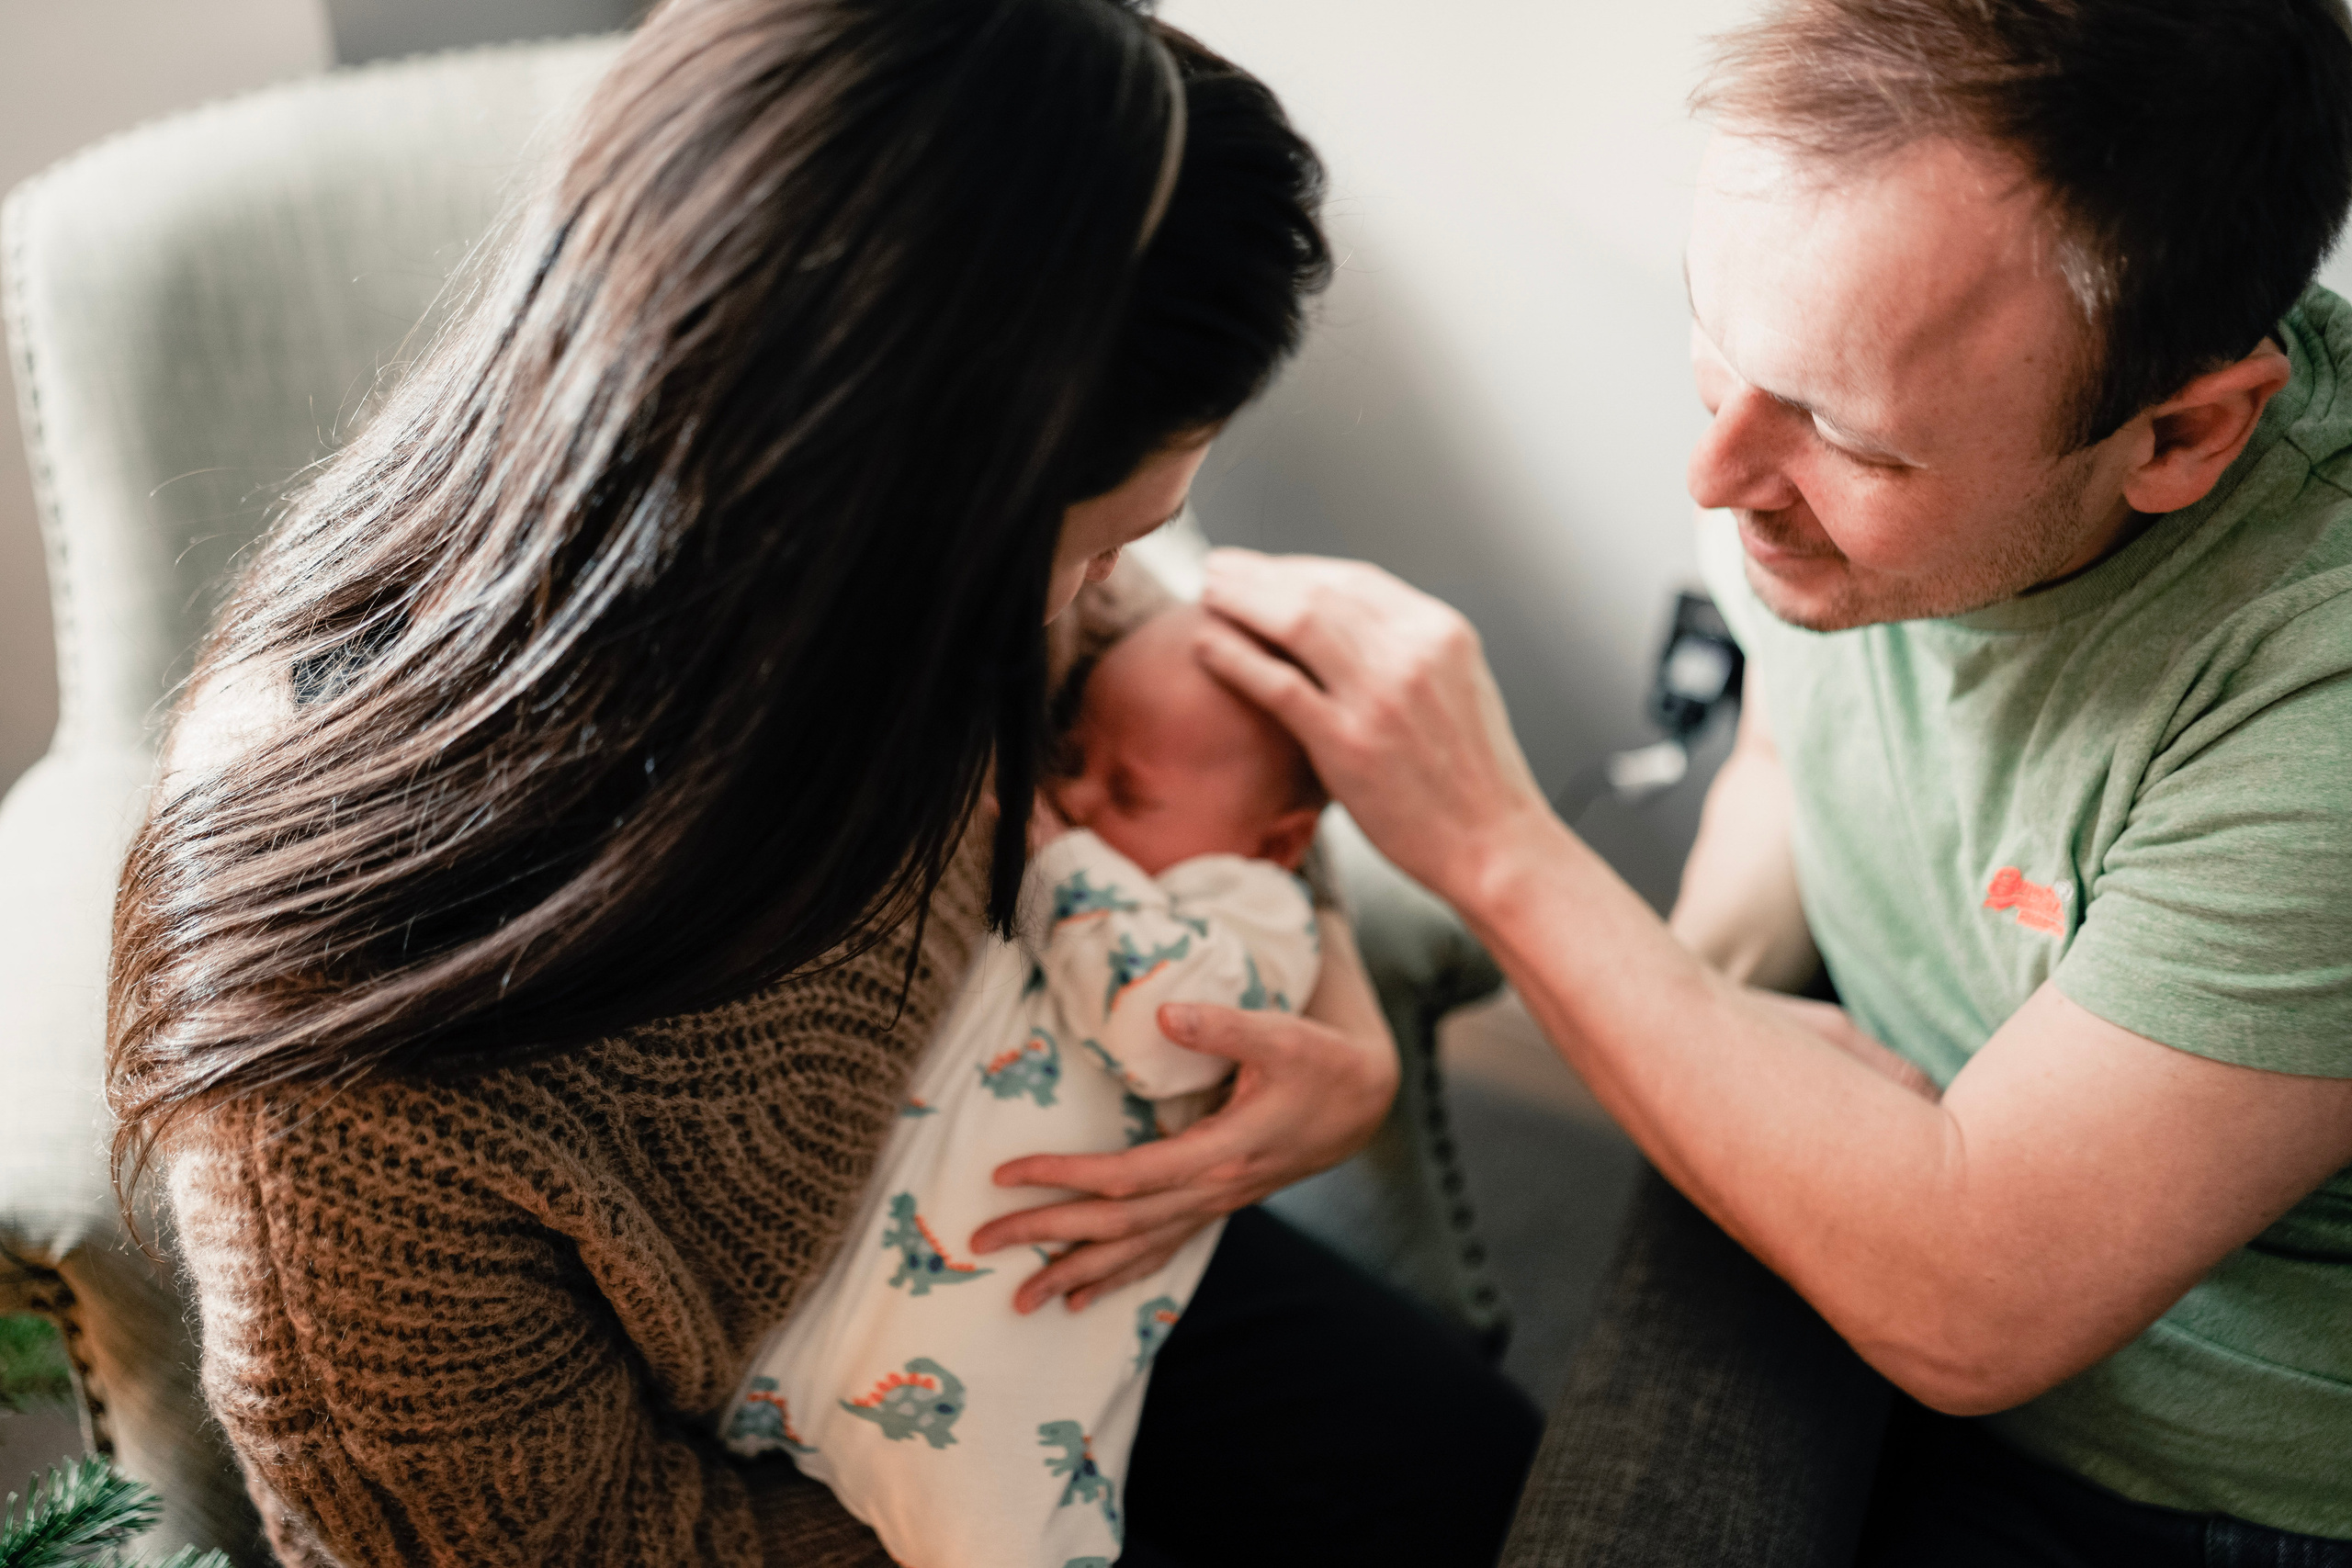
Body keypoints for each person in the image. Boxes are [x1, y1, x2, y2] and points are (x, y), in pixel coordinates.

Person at [107, 3, 1536, 1565]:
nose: (1119, 587)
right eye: (1095, 541)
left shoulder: (855, 565)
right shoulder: (341, 1098)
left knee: (1505, 1485)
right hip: (820, 1491)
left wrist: (1327, 1011)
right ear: (869, 522)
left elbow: (1184, 707)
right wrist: (989, 1502)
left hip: (1031, 1230)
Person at [1192, 0, 2352, 1562]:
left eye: (1848, 439)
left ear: (2184, 435)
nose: (1716, 474)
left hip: (2193, 1486)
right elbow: (1793, 748)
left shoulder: (2315, 701)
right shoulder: (1804, 431)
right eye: (1718, 343)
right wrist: (1703, 1000)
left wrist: (1494, 849)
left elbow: (1973, 1302)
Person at [722, 604, 1328, 1568]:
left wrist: (1056, 855)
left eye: (1127, 792)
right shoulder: (1071, 864)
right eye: (1071, 752)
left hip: (1003, 1364)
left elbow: (1172, 1032)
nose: (1077, 797)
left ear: (1278, 843)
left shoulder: (1259, 913)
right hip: (828, 1310)